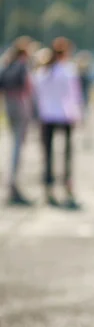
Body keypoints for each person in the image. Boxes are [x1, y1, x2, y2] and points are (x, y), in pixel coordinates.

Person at [33, 37, 83, 209]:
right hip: (64, 115)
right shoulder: (68, 70)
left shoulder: (43, 72)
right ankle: (67, 185)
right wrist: (78, 114)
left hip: (47, 115)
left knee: (48, 154)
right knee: (66, 154)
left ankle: (48, 187)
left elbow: (37, 96)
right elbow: (74, 95)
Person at [0, 36, 34, 205]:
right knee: (17, 147)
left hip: (8, 105)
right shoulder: (22, 66)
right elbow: (28, 89)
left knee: (12, 145)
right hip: (20, 106)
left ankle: (11, 181)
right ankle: (13, 183)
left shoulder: (7, 64)